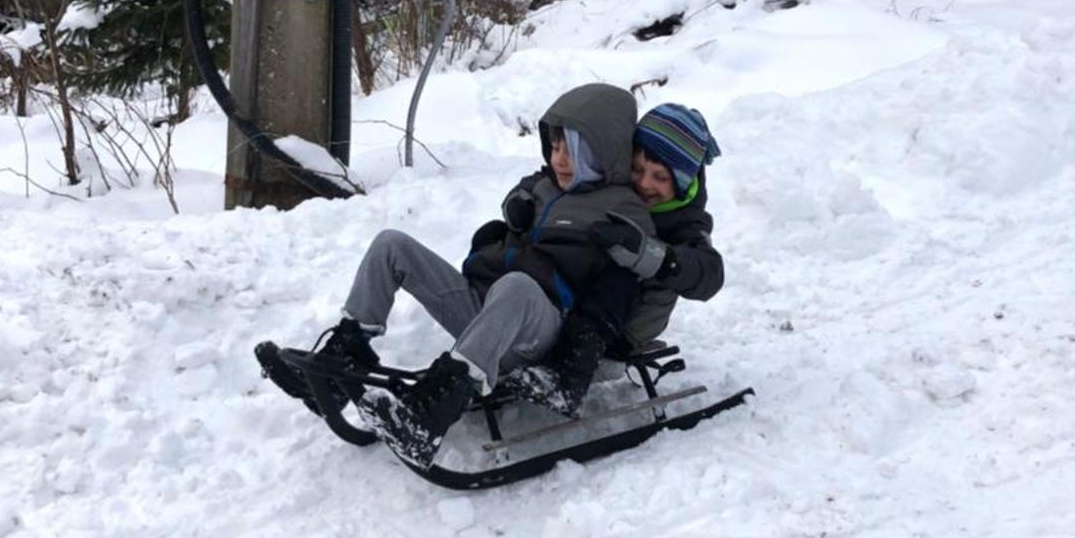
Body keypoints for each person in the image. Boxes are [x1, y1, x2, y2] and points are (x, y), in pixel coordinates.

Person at [257, 83, 654, 465]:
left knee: (517, 285)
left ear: (604, 151)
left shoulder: (623, 209)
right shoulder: (547, 187)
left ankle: (431, 415)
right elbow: (518, 209)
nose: (559, 160)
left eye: (573, 150)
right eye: (554, 146)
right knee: (391, 243)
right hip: (489, 311)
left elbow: (632, 279)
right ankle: (344, 354)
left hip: (545, 332)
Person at [550, 101, 725, 395]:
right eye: (637, 168)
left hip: (630, 323)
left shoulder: (686, 222)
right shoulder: (617, 191)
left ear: (682, 181)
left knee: (621, 276)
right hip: (583, 307)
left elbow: (709, 272)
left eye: (660, 176)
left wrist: (655, 257)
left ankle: (581, 358)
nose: (644, 183)